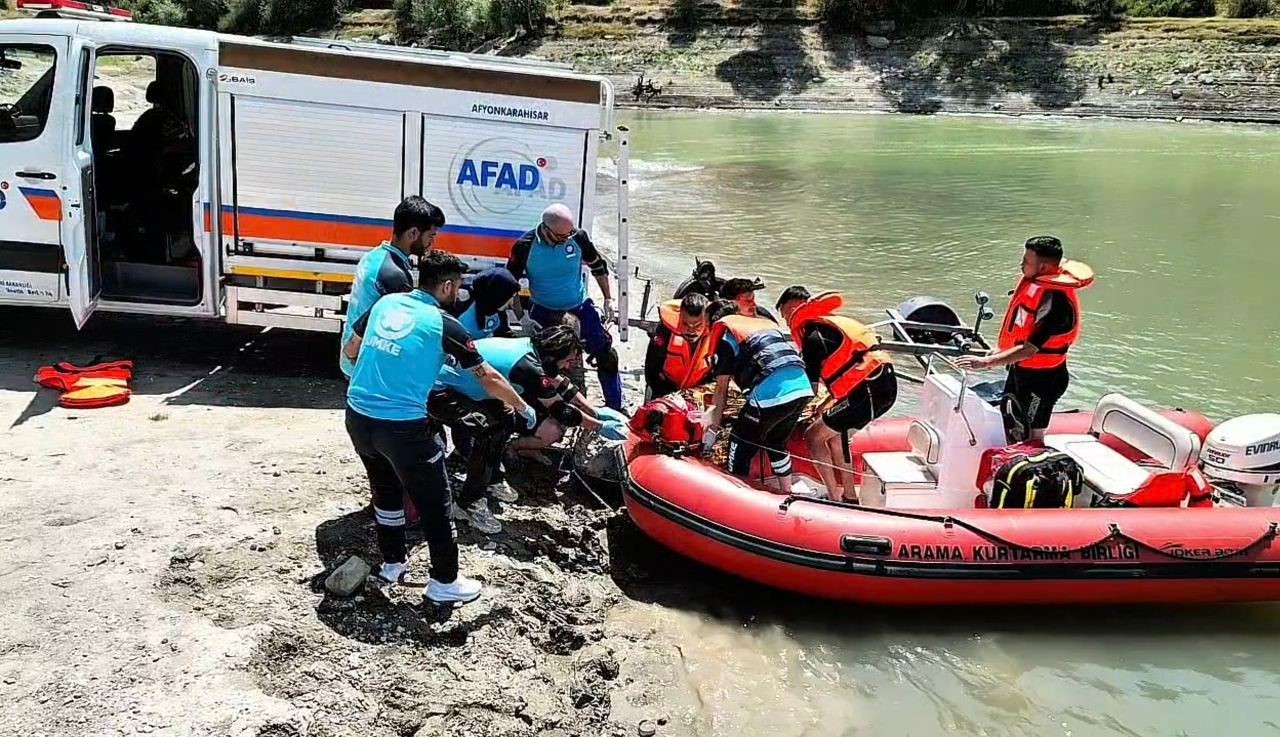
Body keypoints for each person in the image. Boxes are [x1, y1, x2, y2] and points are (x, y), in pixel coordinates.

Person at [342, 251, 537, 604]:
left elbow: (352, 349)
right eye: (458, 286)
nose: (459, 293)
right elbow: (488, 377)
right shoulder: (445, 324)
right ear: (447, 285)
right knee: (435, 501)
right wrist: (521, 407)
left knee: (385, 491)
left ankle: (392, 563)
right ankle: (444, 582)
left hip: (357, 416)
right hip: (401, 427)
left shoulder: (386, 304)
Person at [432, 326, 620, 531]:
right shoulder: (526, 366)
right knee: (490, 433)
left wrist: (595, 411)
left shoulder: (533, 349)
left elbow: (561, 384)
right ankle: (468, 504)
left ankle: (492, 478)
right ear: (553, 355)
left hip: (469, 387)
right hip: (439, 390)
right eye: (567, 360)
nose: (568, 366)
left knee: (506, 417)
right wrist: (599, 426)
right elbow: (562, 411)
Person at [956, 236, 1093, 443]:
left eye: (1026, 262)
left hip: (1044, 379)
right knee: (1009, 419)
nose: (1021, 265)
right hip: (1021, 372)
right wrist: (1000, 352)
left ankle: (1035, 462)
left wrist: (987, 362)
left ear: (1044, 266)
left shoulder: (1058, 305)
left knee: (1032, 433)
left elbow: (1030, 348)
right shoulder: (1035, 286)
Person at [776, 286, 898, 502]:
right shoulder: (831, 327)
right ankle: (849, 496)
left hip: (867, 392)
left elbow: (808, 390)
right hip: (881, 384)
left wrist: (784, 416)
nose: (788, 323)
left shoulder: (813, 337)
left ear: (796, 308)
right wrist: (824, 405)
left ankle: (833, 496)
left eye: (786, 316)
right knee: (835, 435)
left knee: (813, 436)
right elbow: (848, 373)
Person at [506, 203, 623, 411]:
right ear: (545, 228)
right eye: (561, 236)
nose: (565, 239)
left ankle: (615, 406)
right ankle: (544, 409)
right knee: (542, 363)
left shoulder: (577, 237)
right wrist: (521, 317)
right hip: (543, 309)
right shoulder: (525, 245)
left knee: (607, 355)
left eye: (568, 235)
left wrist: (608, 299)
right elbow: (510, 284)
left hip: (579, 305)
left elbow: (598, 266)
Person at [703, 301, 814, 495]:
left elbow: (721, 391)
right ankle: (786, 491)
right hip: (802, 389)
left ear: (716, 323)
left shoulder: (725, 339)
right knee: (775, 441)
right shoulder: (762, 326)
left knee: (738, 443)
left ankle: (738, 498)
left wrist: (712, 430)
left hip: (771, 396)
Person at [339, 196, 446, 379]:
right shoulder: (394, 275)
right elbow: (403, 329)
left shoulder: (376, 255)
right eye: (430, 236)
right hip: (364, 365)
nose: (431, 243)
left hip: (353, 357)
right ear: (413, 233)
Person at [643, 292, 713, 399]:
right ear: (680, 317)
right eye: (686, 324)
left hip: (697, 395)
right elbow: (651, 369)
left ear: (707, 321)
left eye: (697, 325)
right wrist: (669, 396)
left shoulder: (715, 335)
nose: (691, 330)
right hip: (663, 390)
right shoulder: (665, 332)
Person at [451, 266, 520, 340]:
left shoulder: (496, 309)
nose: (511, 303)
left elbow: (503, 334)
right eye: (509, 297)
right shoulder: (461, 306)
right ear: (496, 294)